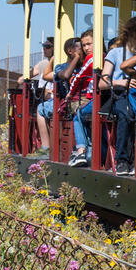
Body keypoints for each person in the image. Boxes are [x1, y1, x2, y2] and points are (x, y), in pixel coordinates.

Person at [101, 17, 136, 176]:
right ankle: (122, 160)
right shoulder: (115, 53)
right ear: (133, 33)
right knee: (125, 115)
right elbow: (102, 82)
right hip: (120, 96)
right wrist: (122, 82)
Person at [32, 37, 78, 156]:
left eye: (48, 47)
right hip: (76, 101)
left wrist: (54, 58)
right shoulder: (87, 65)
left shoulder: (61, 67)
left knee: (40, 109)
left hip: (66, 103)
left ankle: (46, 146)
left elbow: (46, 75)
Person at [59, 30, 94, 167]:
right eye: (83, 46)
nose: (85, 48)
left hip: (90, 99)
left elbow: (77, 78)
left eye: (88, 44)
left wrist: (69, 94)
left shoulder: (90, 59)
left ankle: (81, 151)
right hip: (91, 98)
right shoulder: (60, 67)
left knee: (78, 116)